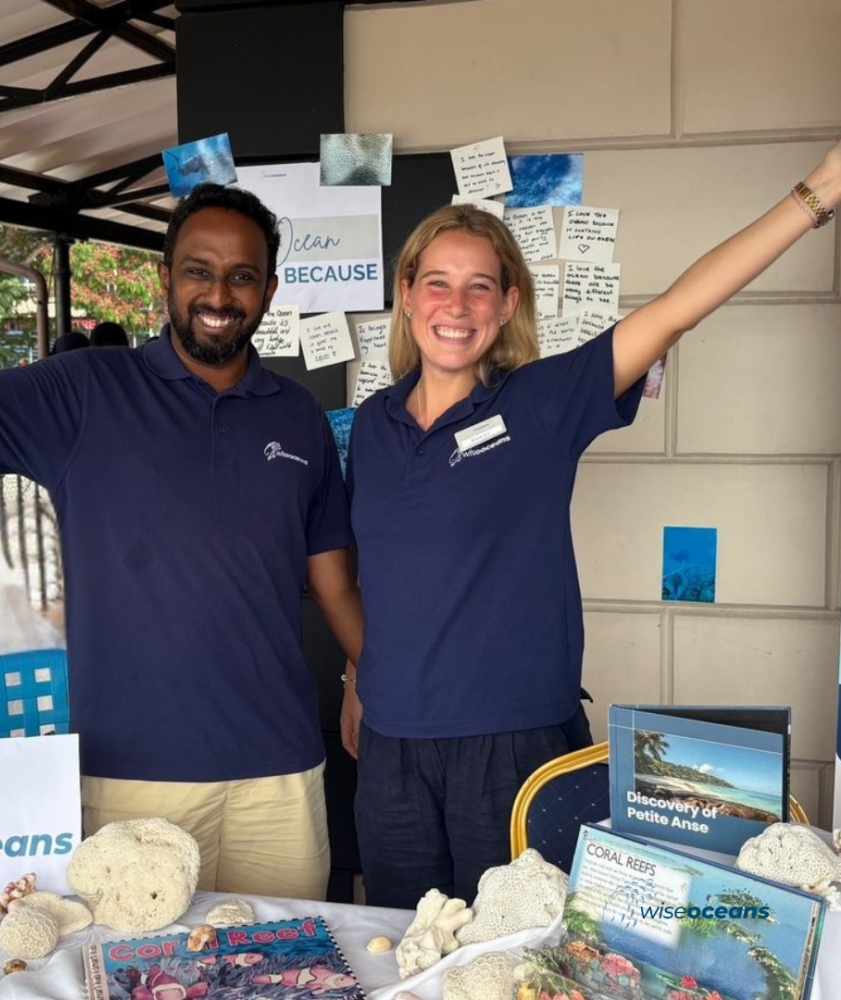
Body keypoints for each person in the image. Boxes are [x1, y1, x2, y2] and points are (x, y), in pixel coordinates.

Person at [342, 142, 841, 909]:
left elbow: (677, 309)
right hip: (392, 751)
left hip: (513, 750)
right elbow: (379, 567)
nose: (458, 304)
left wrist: (820, 191)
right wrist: (356, 675)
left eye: (481, 288)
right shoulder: (370, 426)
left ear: (508, 305)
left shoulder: (540, 404)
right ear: (407, 294)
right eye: (437, 283)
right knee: (407, 951)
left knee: (522, 962)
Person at [0, 183, 363, 901]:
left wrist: (366, 674)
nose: (219, 292)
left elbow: (333, 581)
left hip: (279, 773)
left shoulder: (300, 418)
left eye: (242, 275)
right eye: (198, 270)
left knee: (289, 971)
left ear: (268, 290)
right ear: (166, 279)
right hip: (130, 779)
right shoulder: (83, 391)